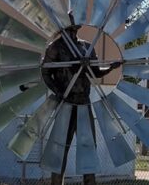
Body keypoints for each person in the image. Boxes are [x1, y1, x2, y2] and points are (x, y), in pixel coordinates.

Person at [41, 24, 122, 185]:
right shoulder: (55, 47)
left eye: (74, 28)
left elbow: (96, 71)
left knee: (88, 147)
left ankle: (89, 182)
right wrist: (59, 92)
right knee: (60, 148)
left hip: (84, 103)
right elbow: (45, 73)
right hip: (66, 104)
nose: (72, 31)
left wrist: (110, 68)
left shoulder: (86, 46)